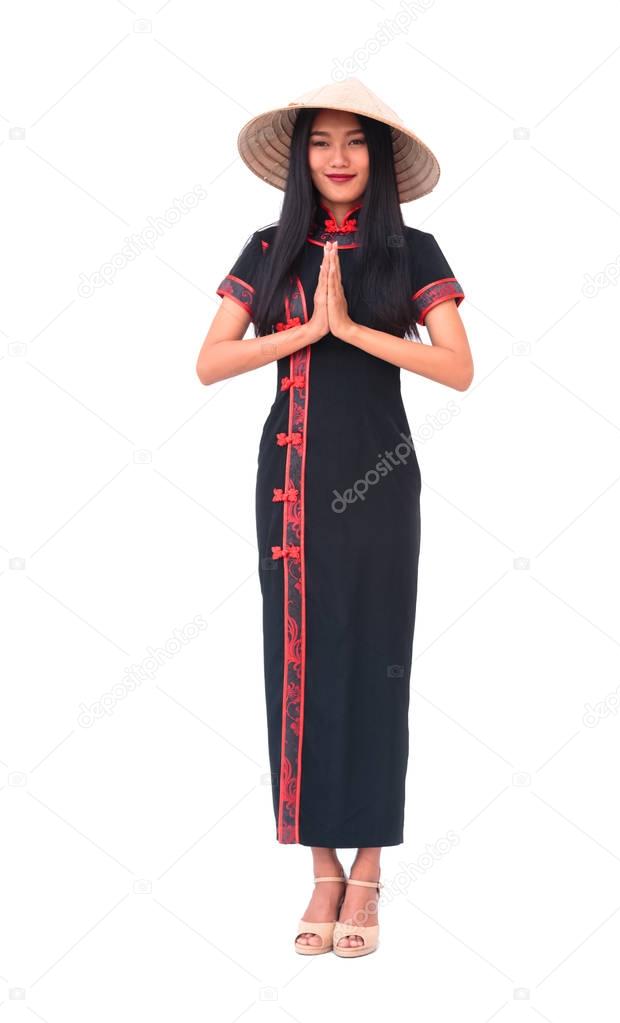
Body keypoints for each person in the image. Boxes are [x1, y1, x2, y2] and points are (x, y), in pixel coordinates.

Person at [196, 78, 473, 958]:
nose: (339, 158)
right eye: (322, 143)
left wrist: (349, 327)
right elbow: (210, 361)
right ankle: (322, 866)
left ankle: (372, 867)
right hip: (289, 483)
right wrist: (304, 330)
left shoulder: (411, 250)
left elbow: (458, 368)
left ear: (379, 157)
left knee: (375, 660)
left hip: (380, 481)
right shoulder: (269, 247)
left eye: (355, 142)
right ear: (302, 157)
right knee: (299, 658)